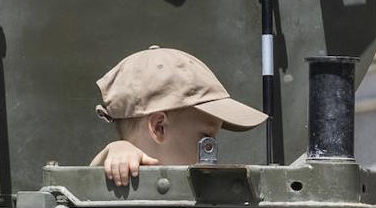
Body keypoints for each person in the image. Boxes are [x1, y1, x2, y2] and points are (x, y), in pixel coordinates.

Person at [91, 45, 267, 185]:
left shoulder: (203, 190)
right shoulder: (120, 165)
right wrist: (116, 151)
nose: (212, 149)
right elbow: (85, 183)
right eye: (206, 138)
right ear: (159, 127)